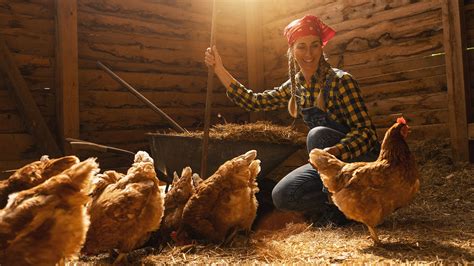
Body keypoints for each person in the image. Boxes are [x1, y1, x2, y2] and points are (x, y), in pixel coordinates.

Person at [204, 15, 380, 225]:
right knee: (283, 196)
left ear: (322, 48)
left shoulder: (341, 81)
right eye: (301, 47)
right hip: (327, 167)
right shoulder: (296, 86)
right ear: (292, 51)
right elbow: (255, 102)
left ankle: (338, 209)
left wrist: (337, 151)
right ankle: (346, 207)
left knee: (317, 135)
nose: (308, 54)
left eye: (315, 46)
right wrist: (219, 69)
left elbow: (367, 134)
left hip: (359, 161)